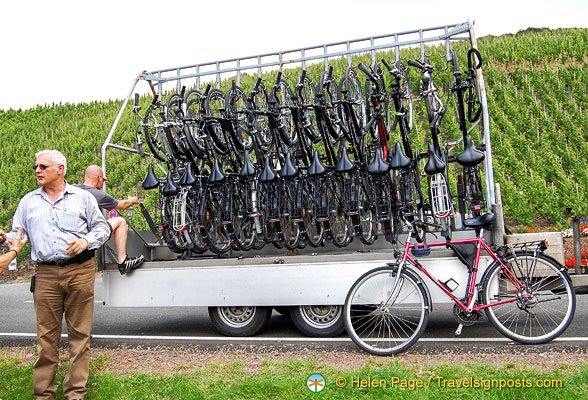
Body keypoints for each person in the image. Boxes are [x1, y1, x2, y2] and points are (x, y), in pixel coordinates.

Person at [2, 149, 110, 400]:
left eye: (43, 166)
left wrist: (85, 241)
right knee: (46, 338)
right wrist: (4, 237)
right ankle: (44, 394)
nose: (37, 171)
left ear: (60, 169)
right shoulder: (28, 201)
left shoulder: (82, 198)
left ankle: (75, 393)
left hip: (79, 271)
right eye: (36, 167)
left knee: (80, 336)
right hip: (46, 274)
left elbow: (102, 227)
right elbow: (17, 235)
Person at [74, 165, 144, 274]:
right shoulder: (99, 195)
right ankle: (123, 261)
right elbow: (123, 205)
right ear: (98, 178)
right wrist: (131, 200)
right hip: (90, 233)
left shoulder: (73, 188)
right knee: (120, 221)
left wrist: (99, 181)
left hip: (74, 232)